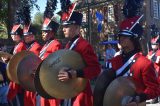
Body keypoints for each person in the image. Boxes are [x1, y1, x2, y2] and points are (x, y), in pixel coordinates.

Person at [108, 16, 160, 106]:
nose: (121, 39)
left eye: (125, 37)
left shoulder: (144, 63)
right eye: (120, 36)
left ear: (134, 40)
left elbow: (154, 88)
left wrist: (139, 97)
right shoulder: (114, 61)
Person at [58, 11, 101, 106]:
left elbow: (96, 69)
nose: (63, 30)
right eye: (63, 27)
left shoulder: (84, 45)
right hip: (68, 90)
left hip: (80, 93)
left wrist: (77, 73)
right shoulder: (68, 45)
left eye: (67, 26)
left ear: (77, 27)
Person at [39, 12, 62, 106]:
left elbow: (57, 64)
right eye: (42, 31)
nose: (42, 34)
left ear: (52, 32)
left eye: (45, 31)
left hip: (52, 83)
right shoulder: (45, 45)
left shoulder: (56, 44)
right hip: (44, 81)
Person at [6, 24, 26, 106]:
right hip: (15, 75)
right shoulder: (17, 45)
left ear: (19, 35)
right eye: (12, 34)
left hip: (18, 76)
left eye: (14, 34)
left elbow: (18, 61)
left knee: (17, 99)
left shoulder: (21, 46)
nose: (12, 36)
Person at [23, 23, 42, 106]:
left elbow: (34, 64)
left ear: (32, 36)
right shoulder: (30, 47)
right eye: (24, 35)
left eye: (27, 35)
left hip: (33, 81)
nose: (25, 37)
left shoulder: (36, 47)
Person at [147, 35, 160, 104]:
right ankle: (155, 98)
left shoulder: (159, 52)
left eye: (155, 44)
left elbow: (157, 61)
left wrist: (150, 59)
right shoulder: (150, 52)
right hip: (152, 70)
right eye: (152, 44)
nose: (153, 45)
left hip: (158, 70)